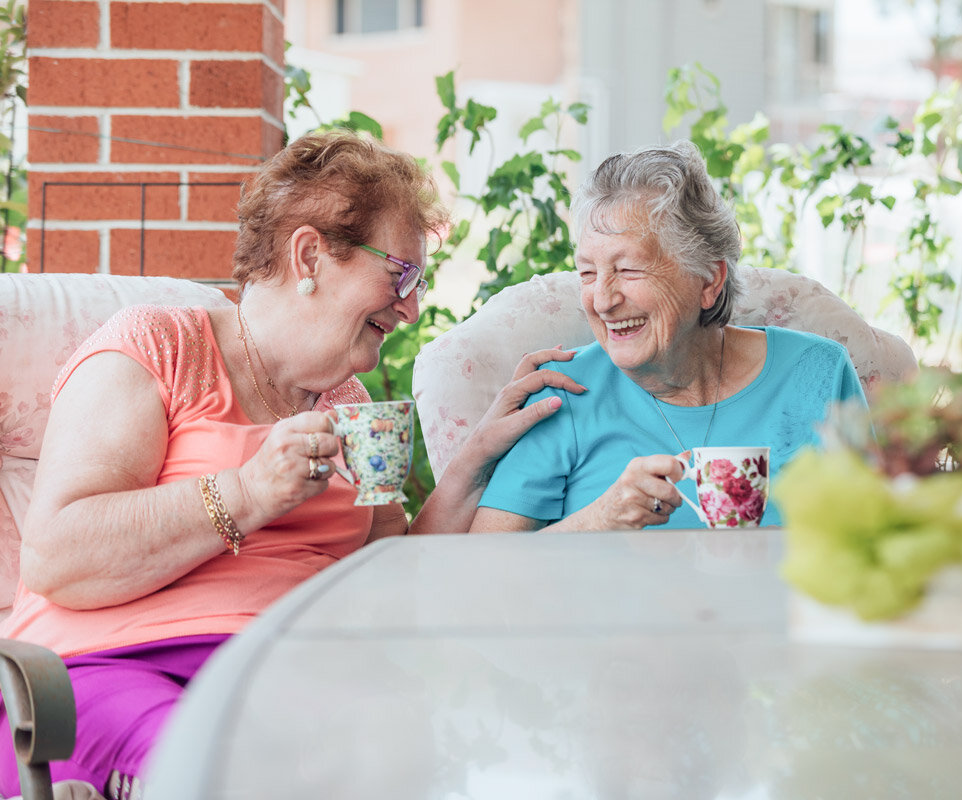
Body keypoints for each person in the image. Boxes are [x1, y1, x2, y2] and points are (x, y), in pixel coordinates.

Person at [0, 130, 583, 800]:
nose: (412, 307)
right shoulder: (155, 346)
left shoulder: (349, 401)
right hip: (112, 670)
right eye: (401, 275)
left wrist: (480, 452)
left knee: (421, 748)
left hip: (287, 683)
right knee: (220, 760)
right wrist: (247, 493)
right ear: (310, 255)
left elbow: (392, 570)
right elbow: (56, 557)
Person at [472, 140, 868, 533]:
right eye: (588, 273)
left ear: (709, 281)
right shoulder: (560, 396)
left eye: (628, 270)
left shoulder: (818, 374)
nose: (603, 301)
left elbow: (878, 540)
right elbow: (482, 572)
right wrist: (597, 520)